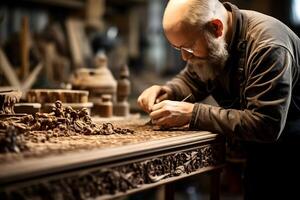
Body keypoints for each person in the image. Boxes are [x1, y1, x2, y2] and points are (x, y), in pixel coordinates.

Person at [137, 0, 300, 199]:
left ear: (216, 27)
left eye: (188, 47)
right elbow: (193, 78)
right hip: (257, 154)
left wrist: (192, 113)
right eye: (177, 47)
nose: (184, 57)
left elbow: (266, 124)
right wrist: (167, 91)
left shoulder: (269, 46)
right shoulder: (212, 42)